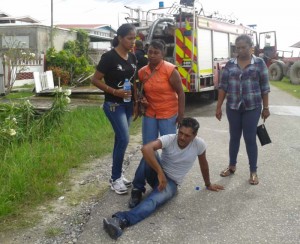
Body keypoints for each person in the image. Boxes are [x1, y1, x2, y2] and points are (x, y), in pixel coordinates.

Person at [103, 117, 224, 240]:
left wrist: (208, 184)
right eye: (180, 133)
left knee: (152, 201)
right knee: (149, 154)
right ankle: (137, 190)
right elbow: (146, 149)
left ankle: (121, 220)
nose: (182, 137)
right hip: (158, 174)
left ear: (194, 136)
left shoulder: (199, 144)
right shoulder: (170, 139)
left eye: (187, 135)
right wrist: (160, 173)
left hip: (171, 183)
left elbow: (204, 164)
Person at [130, 39, 185, 207]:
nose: (152, 55)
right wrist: (140, 99)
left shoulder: (170, 70)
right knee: (149, 149)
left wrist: (181, 116)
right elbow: (138, 90)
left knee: (167, 149)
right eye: (150, 52)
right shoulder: (142, 72)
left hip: (168, 113)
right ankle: (138, 188)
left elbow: (181, 93)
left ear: (163, 55)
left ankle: (165, 180)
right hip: (150, 114)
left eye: (156, 53)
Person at [215, 34, 270, 185]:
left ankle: (253, 171)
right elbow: (223, 86)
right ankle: (232, 166)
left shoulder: (259, 63)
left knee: (250, 138)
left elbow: (265, 87)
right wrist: (218, 106)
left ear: (251, 47)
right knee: (234, 137)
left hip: (252, 107)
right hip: (233, 106)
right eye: (237, 48)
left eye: (243, 47)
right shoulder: (230, 64)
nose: (240, 50)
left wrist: (266, 108)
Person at [91, 23, 137, 195]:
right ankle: (115, 178)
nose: (133, 42)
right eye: (129, 38)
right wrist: (114, 91)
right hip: (113, 104)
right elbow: (95, 80)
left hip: (128, 103)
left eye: (134, 38)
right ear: (119, 38)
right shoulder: (109, 57)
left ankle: (117, 176)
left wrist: (137, 99)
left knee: (120, 140)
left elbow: (133, 80)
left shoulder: (132, 58)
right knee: (124, 139)